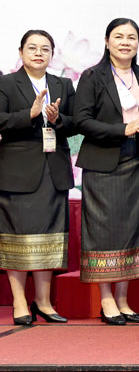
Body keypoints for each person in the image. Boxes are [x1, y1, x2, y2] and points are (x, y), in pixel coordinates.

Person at [74, 19, 139, 325]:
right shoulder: (92, 76)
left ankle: (123, 300)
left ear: (138, 43)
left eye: (131, 37)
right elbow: (82, 121)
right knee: (104, 232)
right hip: (103, 164)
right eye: (118, 37)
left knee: (133, 229)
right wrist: (124, 128)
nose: (125, 42)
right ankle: (106, 300)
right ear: (107, 41)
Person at [0, 30, 76, 326]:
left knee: (49, 238)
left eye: (45, 48)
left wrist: (58, 120)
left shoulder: (63, 84)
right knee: (17, 238)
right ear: (21, 52)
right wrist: (28, 114)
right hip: (17, 172)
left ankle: (43, 302)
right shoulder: (6, 83)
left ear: (52, 54)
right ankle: (20, 301)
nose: (38, 53)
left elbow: (76, 123)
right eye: (32, 48)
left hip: (53, 170)